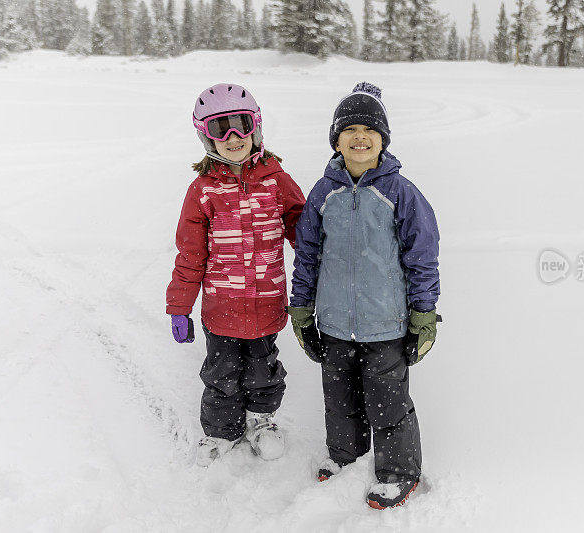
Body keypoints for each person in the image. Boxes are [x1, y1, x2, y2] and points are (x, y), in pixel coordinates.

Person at [287, 82, 440, 509]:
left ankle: (399, 472)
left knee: (389, 406)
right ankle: (345, 458)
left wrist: (423, 314)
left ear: (383, 140)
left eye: (368, 130)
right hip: (335, 323)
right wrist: (301, 311)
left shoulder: (400, 193)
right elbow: (307, 258)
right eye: (349, 129)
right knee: (339, 402)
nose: (359, 137)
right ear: (336, 140)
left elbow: (422, 257)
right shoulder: (323, 193)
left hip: (385, 325)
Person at [167, 83, 305, 465]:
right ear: (204, 135)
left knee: (264, 369)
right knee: (221, 374)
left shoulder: (278, 182)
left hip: (266, 305)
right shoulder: (202, 191)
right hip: (221, 309)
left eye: (240, 125)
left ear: (256, 128)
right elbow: (190, 255)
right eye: (219, 128)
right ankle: (220, 431)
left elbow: (306, 234)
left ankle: (262, 421)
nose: (233, 137)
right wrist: (179, 306)